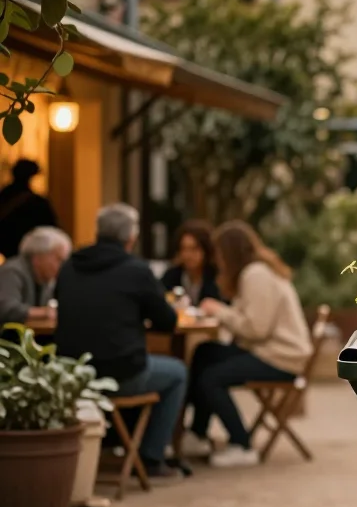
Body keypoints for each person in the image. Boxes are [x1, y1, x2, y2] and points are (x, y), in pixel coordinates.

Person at [55, 204, 187, 480]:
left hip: (72, 376)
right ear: (131, 237)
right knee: (177, 373)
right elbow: (167, 323)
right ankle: (151, 456)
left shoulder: (69, 267)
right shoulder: (136, 271)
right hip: (120, 375)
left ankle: (113, 443)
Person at [182, 221, 312, 469]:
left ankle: (241, 444)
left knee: (212, 377)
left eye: (219, 254)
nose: (217, 261)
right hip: (271, 351)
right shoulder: (256, 271)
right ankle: (197, 434)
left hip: (280, 358)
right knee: (204, 353)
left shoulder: (256, 275)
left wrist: (220, 312)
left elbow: (255, 329)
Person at [0, 226, 71, 327]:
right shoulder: (11, 271)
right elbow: (5, 308)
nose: (62, 266)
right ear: (38, 257)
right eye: (59, 259)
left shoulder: (47, 279)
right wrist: (44, 312)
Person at [0, 159, 58, 259]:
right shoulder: (37, 202)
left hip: (7, 247)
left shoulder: (4, 195)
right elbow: (51, 227)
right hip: (29, 249)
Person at [161, 220, 221, 304]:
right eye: (183, 249)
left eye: (194, 249)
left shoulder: (217, 278)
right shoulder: (171, 276)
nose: (188, 255)